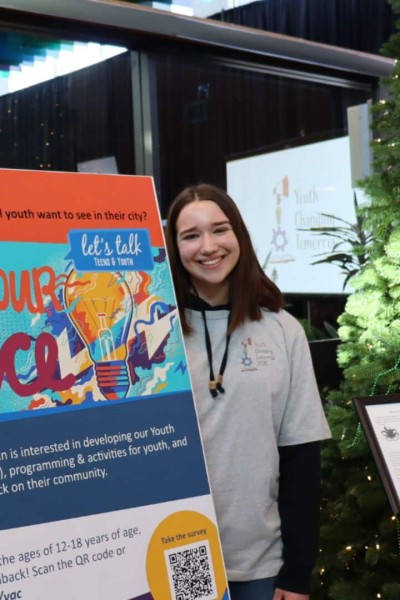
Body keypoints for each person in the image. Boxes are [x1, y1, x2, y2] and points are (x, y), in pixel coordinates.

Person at [164, 183, 331, 600]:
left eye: (219, 230)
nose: (208, 246)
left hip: (262, 564)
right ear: (175, 247)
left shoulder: (281, 329)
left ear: (238, 235)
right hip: (176, 556)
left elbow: (301, 457)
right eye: (190, 235)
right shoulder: (154, 332)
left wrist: (297, 573)